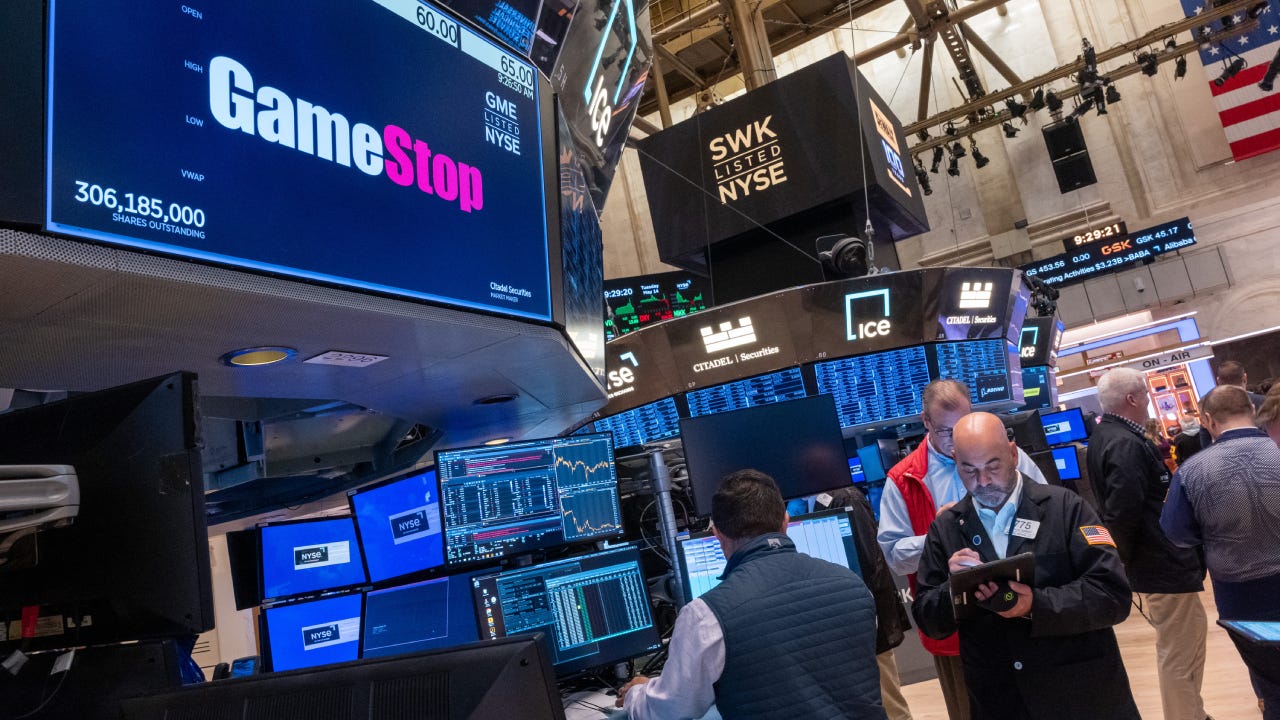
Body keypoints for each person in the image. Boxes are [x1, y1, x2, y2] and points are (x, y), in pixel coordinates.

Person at [913, 412, 1140, 720]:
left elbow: (1112, 596)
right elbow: (928, 620)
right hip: (1000, 701)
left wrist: (1036, 604)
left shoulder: (1066, 508)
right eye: (969, 469)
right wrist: (952, 588)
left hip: (1081, 695)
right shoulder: (947, 529)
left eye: (993, 465)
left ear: (1013, 453)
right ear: (955, 459)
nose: (982, 481)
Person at [619, 469, 886, 719]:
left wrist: (637, 694)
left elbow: (671, 709)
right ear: (786, 521)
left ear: (717, 535)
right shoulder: (854, 586)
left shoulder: (705, 616)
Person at [877, 379, 1046, 720]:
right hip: (958, 629)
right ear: (926, 422)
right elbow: (894, 555)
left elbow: (1048, 512)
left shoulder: (1011, 454)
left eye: (966, 422)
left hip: (1026, 607)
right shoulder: (904, 477)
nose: (959, 438)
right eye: (946, 430)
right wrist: (940, 535)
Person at [1087, 367, 1209, 720]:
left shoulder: (1106, 436)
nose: (1148, 399)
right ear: (1132, 399)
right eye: (1144, 392)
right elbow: (1123, 511)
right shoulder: (1124, 443)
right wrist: (1118, 562)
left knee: (1182, 646)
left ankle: (1191, 712)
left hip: (1157, 563)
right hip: (1161, 565)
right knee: (1181, 652)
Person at [1161, 386, 1280, 719]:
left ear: (1209, 420)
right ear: (1252, 411)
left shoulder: (1192, 472)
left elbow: (1177, 534)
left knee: (1272, 684)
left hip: (1243, 602)